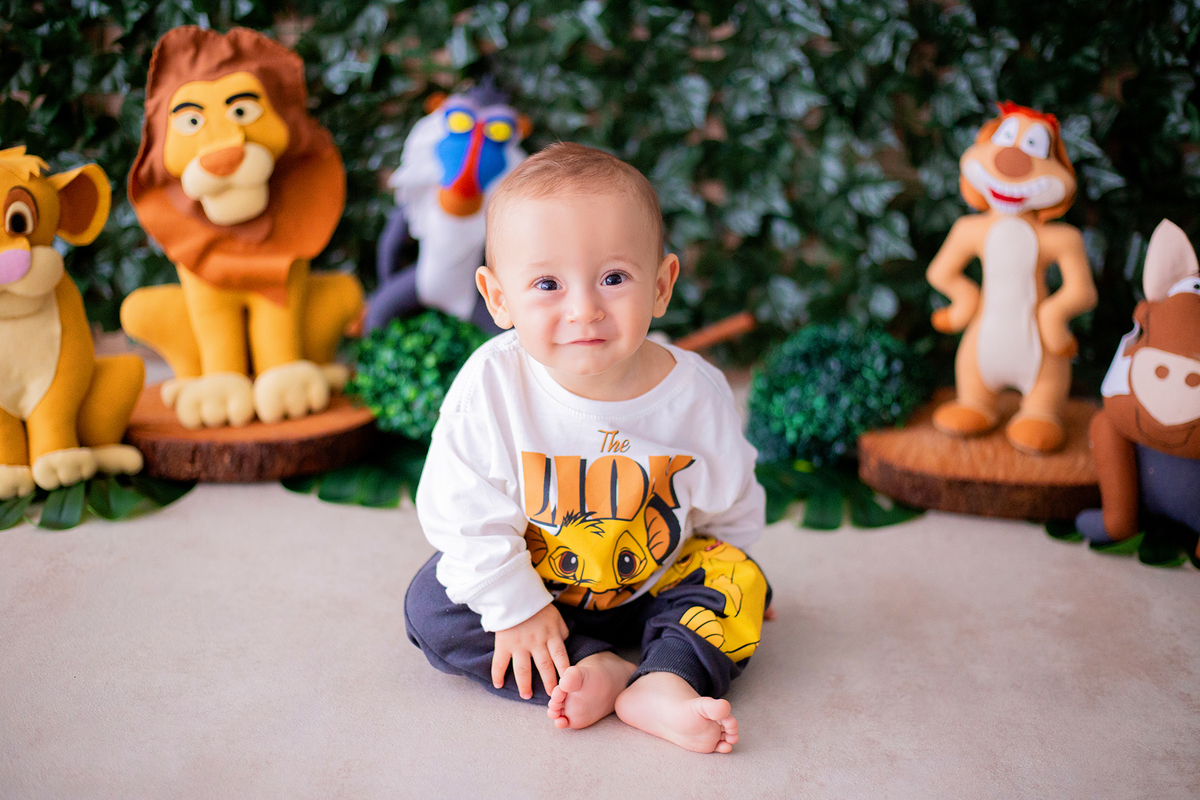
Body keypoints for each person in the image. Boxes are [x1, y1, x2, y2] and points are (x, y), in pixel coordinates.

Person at [405, 142, 770, 754]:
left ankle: (667, 679)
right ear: (498, 299)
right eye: (547, 283)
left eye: (613, 277)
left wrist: (735, 583)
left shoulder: (695, 394)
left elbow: (731, 502)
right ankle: (590, 665)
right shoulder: (493, 384)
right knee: (433, 606)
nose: (585, 309)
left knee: (737, 580)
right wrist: (516, 608)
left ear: (661, 285)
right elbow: (460, 513)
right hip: (540, 584)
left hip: (655, 581)